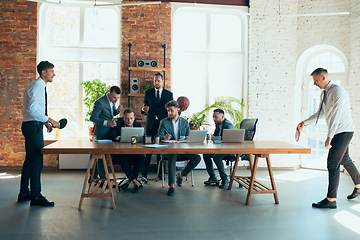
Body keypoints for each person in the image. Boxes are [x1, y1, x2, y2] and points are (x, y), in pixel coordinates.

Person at [297, 67, 360, 209]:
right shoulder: (324, 93)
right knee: (344, 159)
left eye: (316, 80)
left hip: (344, 131)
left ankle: (331, 200)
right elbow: (320, 113)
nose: (314, 84)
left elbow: (336, 116)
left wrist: (329, 137)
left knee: (332, 163)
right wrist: (304, 123)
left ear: (324, 77)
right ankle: (359, 184)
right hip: (339, 131)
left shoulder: (338, 91)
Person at [18, 61, 61, 206]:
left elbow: (34, 111)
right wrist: (51, 120)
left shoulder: (35, 86)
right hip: (32, 126)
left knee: (30, 160)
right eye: (51, 71)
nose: (53, 74)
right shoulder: (37, 86)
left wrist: (44, 122)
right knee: (37, 161)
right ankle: (36, 197)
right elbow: (33, 110)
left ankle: (24, 193)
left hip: (32, 125)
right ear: (44, 73)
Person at [158, 100, 201, 196]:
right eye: (168, 111)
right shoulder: (164, 122)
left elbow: (188, 136)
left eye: (171, 110)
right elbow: (159, 137)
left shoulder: (185, 122)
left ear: (177, 110)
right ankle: (171, 186)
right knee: (173, 154)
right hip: (170, 152)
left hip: (183, 151)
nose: (169, 113)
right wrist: (163, 137)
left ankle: (181, 175)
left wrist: (188, 137)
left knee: (197, 158)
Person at [141, 72, 173, 179]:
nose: (156, 82)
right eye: (155, 80)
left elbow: (171, 110)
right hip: (151, 124)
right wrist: (143, 110)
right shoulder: (148, 93)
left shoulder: (169, 94)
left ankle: (161, 173)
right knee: (149, 149)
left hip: (162, 125)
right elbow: (144, 108)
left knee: (161, 150)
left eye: (158, 80)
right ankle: (144, 173)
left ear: (163, 81)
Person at [107, 108, 145, 193]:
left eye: (131, 118)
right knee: (122, 159)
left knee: (142, 158)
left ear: (134, 118)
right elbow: (111, 136)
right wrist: (119, 138)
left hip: (133, 153)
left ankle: (128, 182)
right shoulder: (118, 125)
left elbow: (143, 137)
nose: (129, 121)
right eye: (127, 118)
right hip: (121, 153)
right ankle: (135, 182)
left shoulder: (138, 126)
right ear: (123, 118)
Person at [90, 85, 123, 181]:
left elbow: (110, 114)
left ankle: (92, 176)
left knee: (101, 155)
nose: (116, 100)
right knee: (101, 156)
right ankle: (104, 178)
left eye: (117, 98)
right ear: (109, 94)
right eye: (114, 97)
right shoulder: (100, 102)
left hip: (109, 132)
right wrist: (106, 123)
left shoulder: (112, 101)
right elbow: (93, 118)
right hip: (101, 132)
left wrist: (117, 111)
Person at [203, 109, 235, 189]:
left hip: (230, 150)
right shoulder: (218, 124)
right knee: (206, 154)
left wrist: (216, 139)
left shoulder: (228, 125)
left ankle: (225, 179)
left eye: (215, 117)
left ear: (222, 116)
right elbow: (216, 137)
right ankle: (213, 177)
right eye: (213, 117)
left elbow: (228, 141)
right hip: (221, 149)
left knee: (216, 157)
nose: (214, 119)